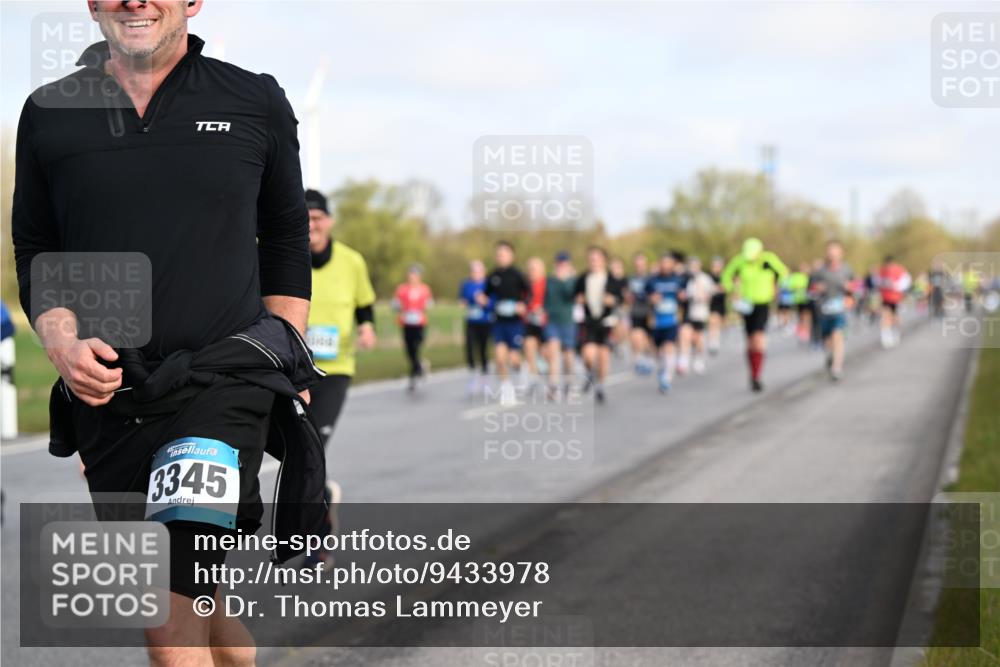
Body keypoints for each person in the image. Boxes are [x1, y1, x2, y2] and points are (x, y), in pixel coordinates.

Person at [12, 3, 319, 664]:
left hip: (221, 385)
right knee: (189, 600)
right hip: (109, 399)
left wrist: (285, 352)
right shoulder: (48, 111)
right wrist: (63, 343)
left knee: (163, 609)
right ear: (93, 4)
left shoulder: (253, 99)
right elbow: (37, 245)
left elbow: (288, 237)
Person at [303, 188, 376, 565]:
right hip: (293, 370)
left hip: (335, 369)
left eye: (317, 218)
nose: (312, 224)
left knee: (313, 448)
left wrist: (367, 328)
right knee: (296, 453)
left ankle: (319, 543)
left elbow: (365, 303)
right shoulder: (285, 258)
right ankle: (321, 496)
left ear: (328, 221)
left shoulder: (352, 262)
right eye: (305, 218)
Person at [720, 238, 789, 391]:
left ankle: (757, 376)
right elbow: (725, 277)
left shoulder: (768, 260)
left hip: (762, 303)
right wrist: (732, 290)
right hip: (746, 305)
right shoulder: (739, 261)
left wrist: (776, 287)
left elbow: (784, 273)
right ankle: (752, 372)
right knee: (750, 341)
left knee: (758, 339)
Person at [574, 246, 625, 403]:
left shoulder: (611, 279)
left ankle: (600, 386)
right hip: (589, 321)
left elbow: (621, 299)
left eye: (596, 259)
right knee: (588, 355)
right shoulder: (583, 278)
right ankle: (590, 372)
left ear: (604, 260)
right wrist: (578, 300)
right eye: (591, 259)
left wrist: (613, 300)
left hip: (606, 322)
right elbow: (575, 296)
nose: (593, 261)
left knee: (603, 357)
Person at [483, 241, 530, 401]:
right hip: (499, 321)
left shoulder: (518, 274)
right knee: (499, 357)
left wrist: (522, 305)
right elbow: (486, 294)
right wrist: (483, 300)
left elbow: (528, 293)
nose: (500, 257)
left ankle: (521, 367)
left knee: (513, 357)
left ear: (511, 255)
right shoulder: (493, 275)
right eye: (498, 255)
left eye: (503, 254)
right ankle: (506, 388)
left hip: (515, 322)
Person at [810, 240, 853, 381]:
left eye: (835, 251)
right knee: (828, 340)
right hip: (824, 309)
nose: (832, 254)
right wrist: (817, 288)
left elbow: (855, 287)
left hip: (839, 309)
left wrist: (849, 292)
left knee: (837, 335)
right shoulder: (820, 271)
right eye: (830, 251)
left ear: (841, 253)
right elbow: (810, 288)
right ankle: (830, 355)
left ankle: (836, 368)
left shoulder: (846, 269)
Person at [646, 252, 685, 393]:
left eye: (668, 263)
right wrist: (652, 299)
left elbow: (683, 297)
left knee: (669, 347)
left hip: (671, 320)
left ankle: (667, 378)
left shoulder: (677, 280)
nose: (665, 265)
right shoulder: (652, 281)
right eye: (663, 262)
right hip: (657, 321)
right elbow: (645, 297)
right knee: (658, 352)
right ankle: (663, 371)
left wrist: (682, 297)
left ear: (672, 265)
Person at [393, 265, 434, 391]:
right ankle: (419, 367)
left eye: (415, 274)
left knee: (416, 347)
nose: (412, 277)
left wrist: (422, 308)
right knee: (409, 352)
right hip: (406, 323)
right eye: (411, 274)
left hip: (419, 323)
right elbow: (395, 304)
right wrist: (400, 308)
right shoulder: (402, 289)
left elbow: (430, 304)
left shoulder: (425, 289)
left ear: (419, 276)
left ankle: (413, 376)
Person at [543, 252, 578, 398]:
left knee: (568, 354)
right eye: (559, 264)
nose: (561, 267)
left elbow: (570, 295)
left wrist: (566, 279)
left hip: (567, 321)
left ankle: (569, 382)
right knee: (553, 352)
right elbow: (545, 299)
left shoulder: (572, 281)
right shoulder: (550, 281)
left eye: (564, 264)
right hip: (552, 321)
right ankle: (553, 385)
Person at [459, 260, 491, 396]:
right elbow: (462, 300)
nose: (475, 274)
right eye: (473, 271)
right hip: (471, 320)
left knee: (483, 349)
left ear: (483, 272)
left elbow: (492, 302)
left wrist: (485, 301)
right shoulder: (466, 284)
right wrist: (465, 303)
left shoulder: (488, 284)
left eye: (478, 271)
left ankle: (484, 378)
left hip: (485, 321)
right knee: (469, 348)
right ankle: (472, 376)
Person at [679, 256, 715, 375]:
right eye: (691, 265)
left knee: (698, 337)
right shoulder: (684, 278)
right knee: (685, 333)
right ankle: (684, 359)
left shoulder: (704, 278)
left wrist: (702, 295)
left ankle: (698, 357)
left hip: (699, 312)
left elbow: (709, 294)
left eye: (695, 265)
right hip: (687, 311)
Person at [523, 257, 549, 389]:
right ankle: (533, 377)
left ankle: (545, 370)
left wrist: (543, 309)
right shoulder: (525, 285)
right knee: (528, 346)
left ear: (542, 270)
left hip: (546, 322)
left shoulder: (548, 284)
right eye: (530, 269)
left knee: (545, 352)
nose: (531, 272)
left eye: (534, 269)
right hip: (530, 321)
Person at [626, 252, 654, 374]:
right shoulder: (630, 279)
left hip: (649, 312)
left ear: (645, 264)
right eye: (637, 263)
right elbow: (626, 295)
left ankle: (648, 357)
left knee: (647, 340)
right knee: (636, 336)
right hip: (635, 312)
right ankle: (639, 360)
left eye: (641, 262)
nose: (639, 265)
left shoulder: (651, 278)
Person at [877, 255, 911, 348]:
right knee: (885, 316)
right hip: (886, 297)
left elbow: (906, 281)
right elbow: (878, 282)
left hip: (896, 298)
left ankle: (896, 333)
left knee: (895, 317)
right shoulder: (882, 270)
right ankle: (886, 337)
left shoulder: (899, 269)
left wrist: (896, 286)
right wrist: (884, 284)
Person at [707, 256, 727, 355]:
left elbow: (728, 288)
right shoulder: (708, 277)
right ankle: (712, 341)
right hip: (711, 303)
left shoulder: (725, 276)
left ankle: (716, 338)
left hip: (721, 303)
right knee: (713, 320)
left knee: (719, 322)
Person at [786, 263, 811, 343]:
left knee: (807, 314)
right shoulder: (796, 276)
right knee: (801, 315)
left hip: (807, 298)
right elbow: (791, 285)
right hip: (799, 299)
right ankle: (802, 330)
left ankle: (807, 329)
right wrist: (797, 287)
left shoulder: (809, 276)